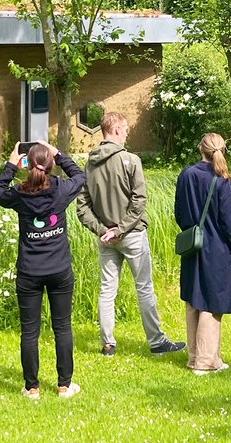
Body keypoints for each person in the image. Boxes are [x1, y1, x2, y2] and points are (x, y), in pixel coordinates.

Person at [76, 112, 185, 356]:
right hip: (132, 234)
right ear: (115, 129)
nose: (127, 133)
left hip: (106, 239)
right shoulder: (130, 160)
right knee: (144, 287)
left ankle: (108, 343)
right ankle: (156, 342)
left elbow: (82, 208)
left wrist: (104, 231)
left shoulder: (90, 164)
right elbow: (139, 201)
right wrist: (120, 229)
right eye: (125, 129)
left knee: (107, 290)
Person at [0, 141, 86, 400]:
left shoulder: (20, 194)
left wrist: (11, 162)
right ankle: (64, 386)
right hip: (59, 270)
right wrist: (59, 154)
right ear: (51, 163)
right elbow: (80, 176)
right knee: (62, 327)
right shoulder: (60, 189)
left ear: (27, 164)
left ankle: (32, 388)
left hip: (29, 272)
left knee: (30, 331)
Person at [175, 133, 231, 374]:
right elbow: (229, 222)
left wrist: (189, 231)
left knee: (194, 299)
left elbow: (179, 212)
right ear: (223, 150)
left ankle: (197, 357)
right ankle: (204, 363)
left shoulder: (186, 175)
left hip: (193, 244)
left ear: (199, 148)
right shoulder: (222, 180)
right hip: (218, 249)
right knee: (212, 303)